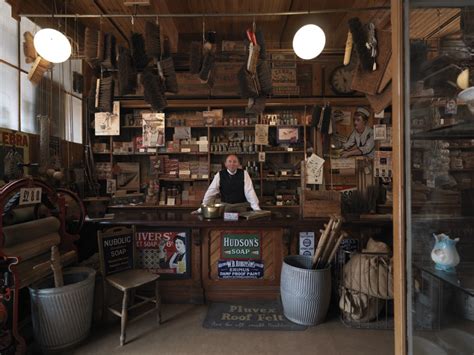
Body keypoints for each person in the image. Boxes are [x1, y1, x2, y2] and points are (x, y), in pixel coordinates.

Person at [193, 154, 260, 213]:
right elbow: (211, 192)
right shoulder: (219, 174)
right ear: (225, 164)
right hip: (225, 206)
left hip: (241, 206)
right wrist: (201, 209)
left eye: (234, 162)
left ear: (238, 164)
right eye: (230, 161)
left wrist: (256, 209)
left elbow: (250, 192)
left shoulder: (244, 173)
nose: (232, 164)